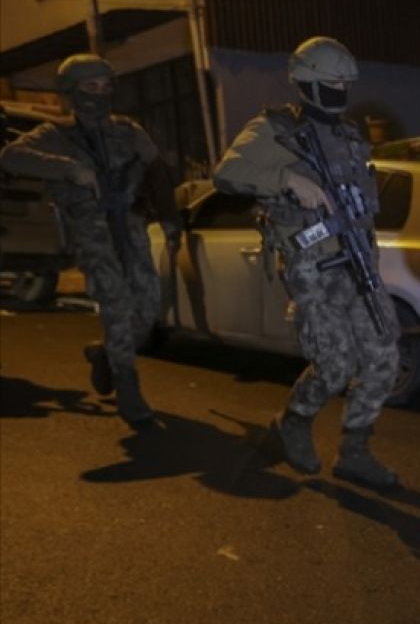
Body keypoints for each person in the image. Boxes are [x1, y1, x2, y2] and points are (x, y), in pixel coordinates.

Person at [212, 36, 399, 490]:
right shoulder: (274, 128)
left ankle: (355, 452)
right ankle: (293, 422)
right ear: (307, 82)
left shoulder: (348, 136)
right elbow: (226, 173)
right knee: (334, 363)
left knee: (383, 356)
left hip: (358, 261)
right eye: (333, 82)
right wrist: (288, 180)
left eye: (346, 83)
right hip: (313, 264)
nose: (341, 90)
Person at [0, 54, 180, 427]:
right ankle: (128, 389)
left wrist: (169, 220)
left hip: (131, 228)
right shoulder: (56, 135)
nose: (99, 94)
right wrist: (69, 169)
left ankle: (104, 353)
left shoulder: (128, 131)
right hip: (92, 234)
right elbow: (11, 156)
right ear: (71, 91)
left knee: (148, 308)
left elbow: (158, 172)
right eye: (90, 87)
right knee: (115, 303)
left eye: (105, 86)